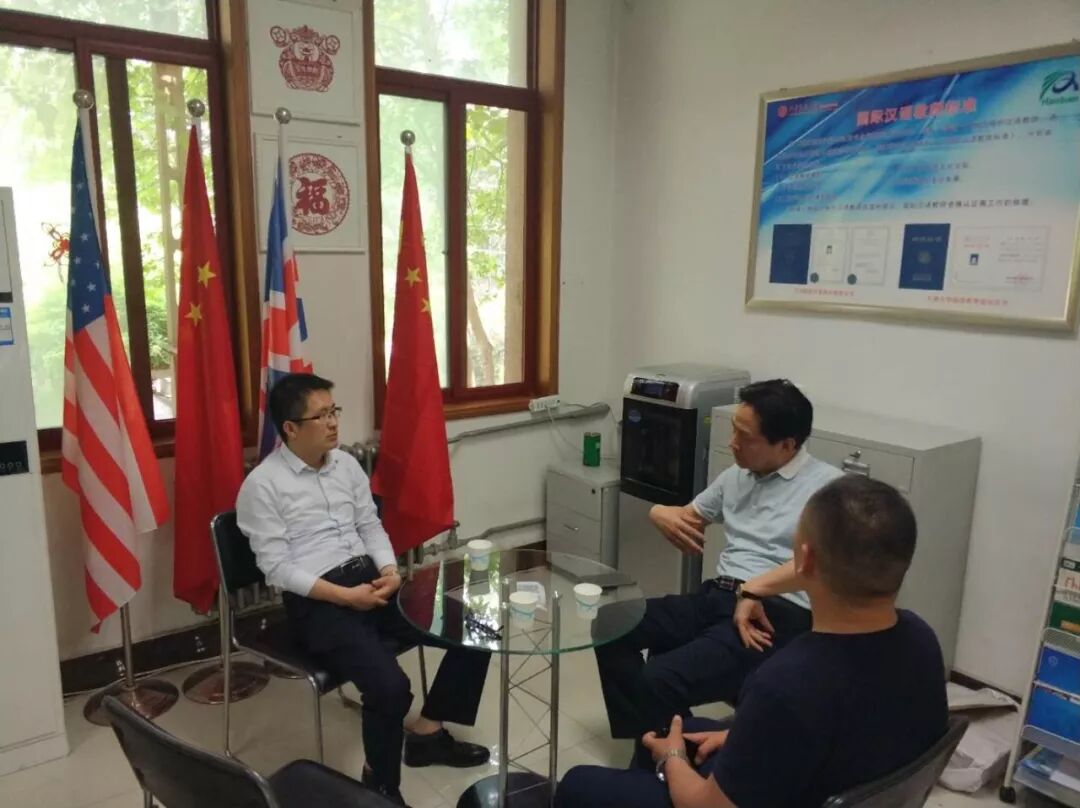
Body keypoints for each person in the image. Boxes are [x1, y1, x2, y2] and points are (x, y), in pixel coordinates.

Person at [558, 475, 948, 807]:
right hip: (819, 780)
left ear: (804, 561)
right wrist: (738, 736)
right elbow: (846, 729)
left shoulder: (785, 681)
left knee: (577, 784)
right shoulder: (922, 641)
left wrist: (672, 758)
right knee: (678, 729)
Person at [237, 373, 490, 807]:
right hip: (319, 601)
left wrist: (390, 571)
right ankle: (380, 787)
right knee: (390, 688)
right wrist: (346, 597)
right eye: (321, 415)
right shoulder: (263, 486)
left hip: (372, 581)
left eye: (334, 411)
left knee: (475, 628)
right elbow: (276, 569)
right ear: (291, 428)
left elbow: (370, 526)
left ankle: (427, 733)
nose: (334, 422)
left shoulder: (346, 465)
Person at [596, 380, 842, 762]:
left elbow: (823, 562)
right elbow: (687, 517)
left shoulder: (830, 490)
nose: (732, 443)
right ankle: (656, 736)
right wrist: (657, 511)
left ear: (787, 445)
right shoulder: (736, 476)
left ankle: (661, 765)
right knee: (609, 624)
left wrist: (756, 588)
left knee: (659, 677)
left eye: (745, 436)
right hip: (717, 595)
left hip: (772, 616)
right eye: (733, 431)